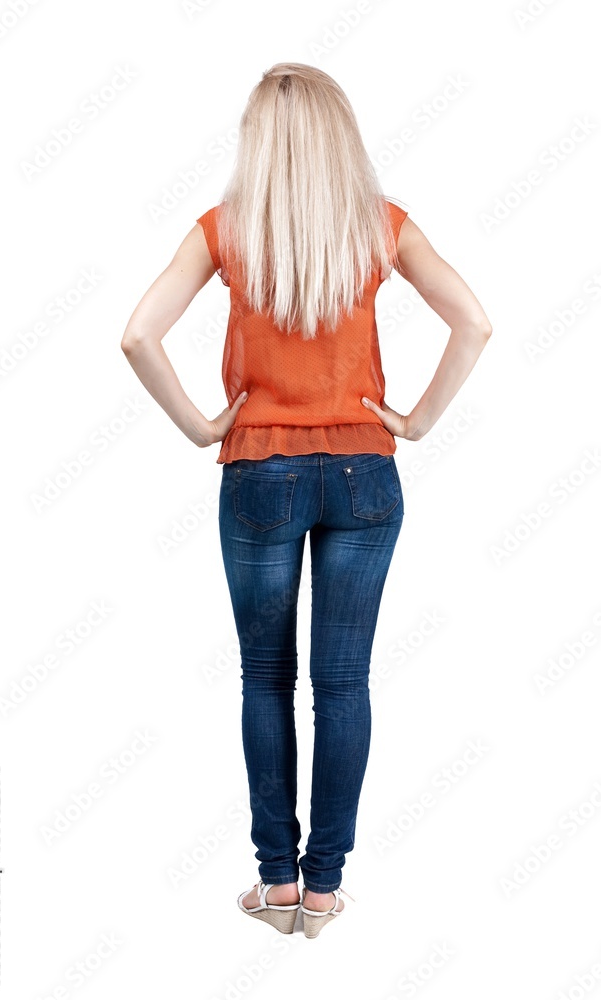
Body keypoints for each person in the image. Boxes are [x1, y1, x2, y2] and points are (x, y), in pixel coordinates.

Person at [121, 62, 492, 939]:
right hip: (365, 474)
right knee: (344, 684)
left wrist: (203, 426)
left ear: (259, 141)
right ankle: (324, 891)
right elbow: (475, 321)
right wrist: (415, 421)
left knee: (265, 679)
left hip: (260, 474)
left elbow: (137, 335)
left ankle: (276, 885)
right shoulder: (380, 226)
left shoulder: (224, 230)